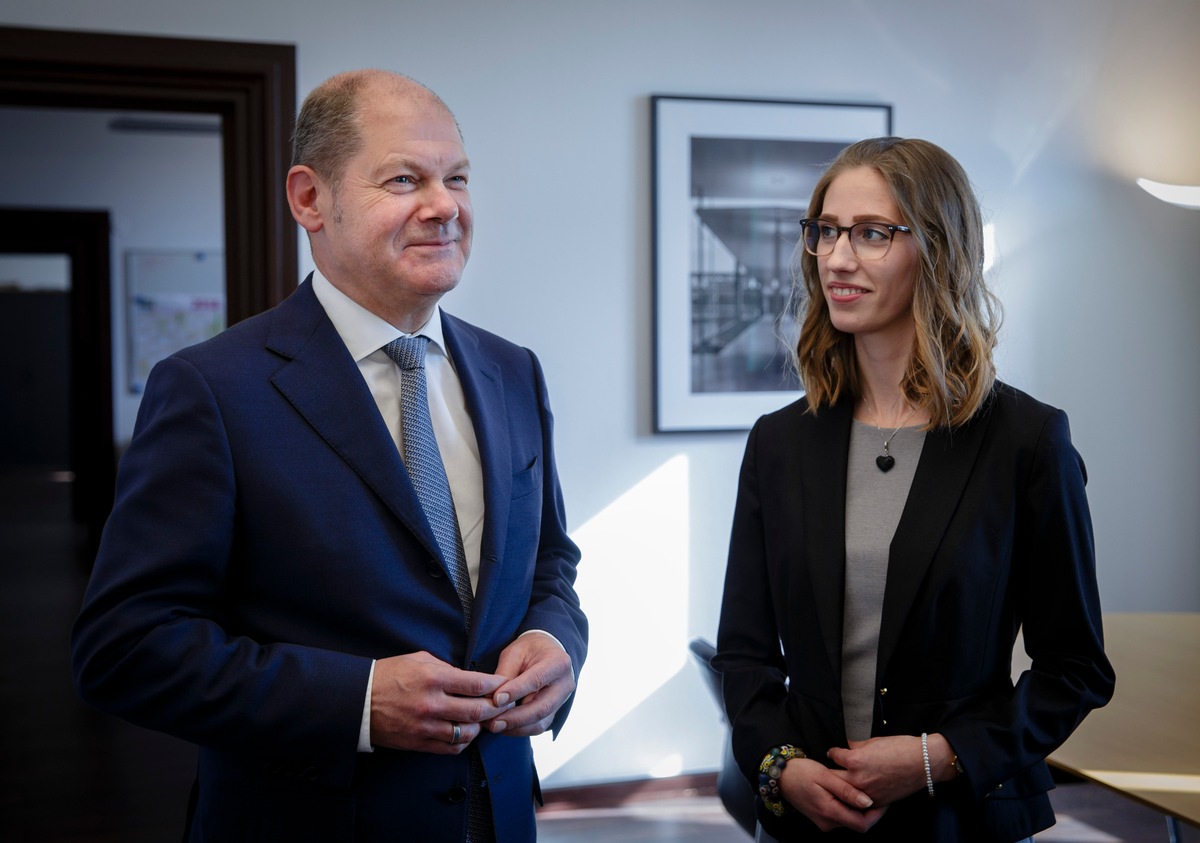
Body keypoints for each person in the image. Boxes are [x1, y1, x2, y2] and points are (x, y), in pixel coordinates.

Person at [70, 69, 587, 843]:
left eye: (457, 178)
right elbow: (126, 647)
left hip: (497, 814)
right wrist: (358, 699)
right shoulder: (211, 390)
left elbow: (549, 563)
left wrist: (555, 640)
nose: (444, 205)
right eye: (405, 179)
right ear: (310, 199)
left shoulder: (514, 372)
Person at [713, 137, 1114, 842]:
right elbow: (745, 653)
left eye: (872, 233)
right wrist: (784, 768)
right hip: (807, 820)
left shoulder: (1027, 442)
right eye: (826, 232)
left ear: (938, 247)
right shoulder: (777, 442)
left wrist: (938, 757)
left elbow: (1074, 669)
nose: (837, 258)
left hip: (959, 819)